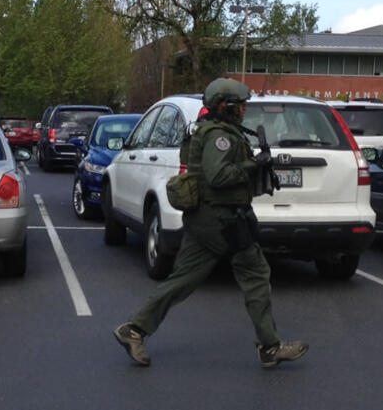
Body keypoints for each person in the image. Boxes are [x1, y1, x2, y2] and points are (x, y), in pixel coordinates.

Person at [113, 77, 308, 370]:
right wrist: (253, 165)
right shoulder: (221, 136)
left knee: (182, 280)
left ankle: (134, 330)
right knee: (256, 275)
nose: (244, 110)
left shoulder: (213, 131)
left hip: (206, 219)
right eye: (239, 105)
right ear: (224, 106)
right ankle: (269, 347)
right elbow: (217, 177)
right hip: (223, 220)